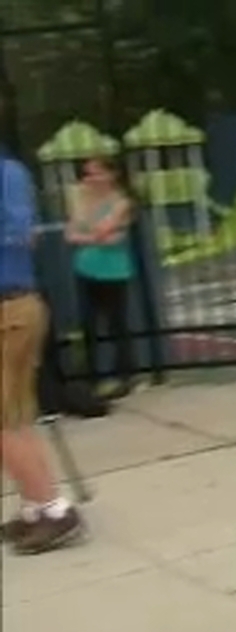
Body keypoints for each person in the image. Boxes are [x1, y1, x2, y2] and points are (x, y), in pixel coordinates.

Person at [1, 138, 85, 553]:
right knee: (15, 417)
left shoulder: (7, 174)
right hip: (12, 308)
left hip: (9, 308)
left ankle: (54, 510)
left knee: (4, 423)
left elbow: (20, 234)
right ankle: (37, 506)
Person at [65, 156, 136, 399]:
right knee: (88, 325)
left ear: (111, 174)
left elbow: (104, 229)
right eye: (87, 175)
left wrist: (93, 233)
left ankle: (124, 375)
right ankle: (92, 376)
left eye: (96, 173)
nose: (90, 179)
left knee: (117, 323)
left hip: (113, 270)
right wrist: (96, 236)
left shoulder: (121, 201)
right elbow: (71, 234)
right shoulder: (82, 200)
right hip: (85, 267)